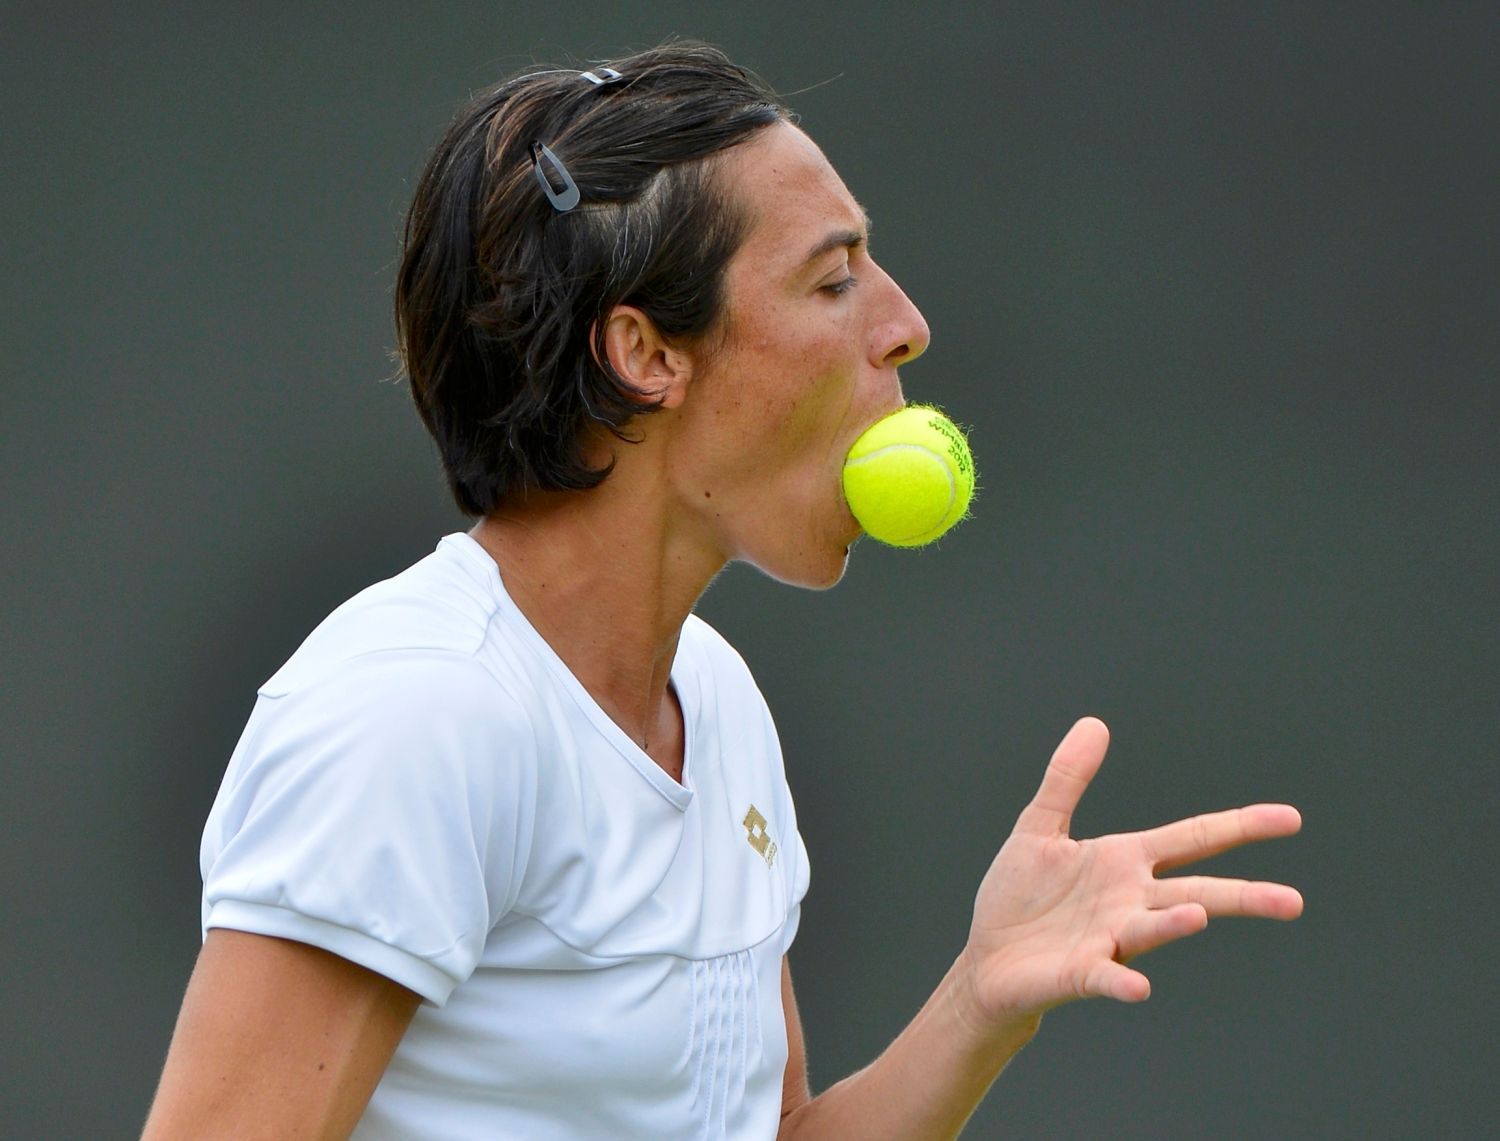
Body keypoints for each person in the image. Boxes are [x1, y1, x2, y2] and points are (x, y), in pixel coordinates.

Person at [142, 41, 1303, 1140]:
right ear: (645, 353)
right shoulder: (414, 714)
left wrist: (978, 999)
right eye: (834, 278)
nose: (906, 326)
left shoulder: (717, 698)